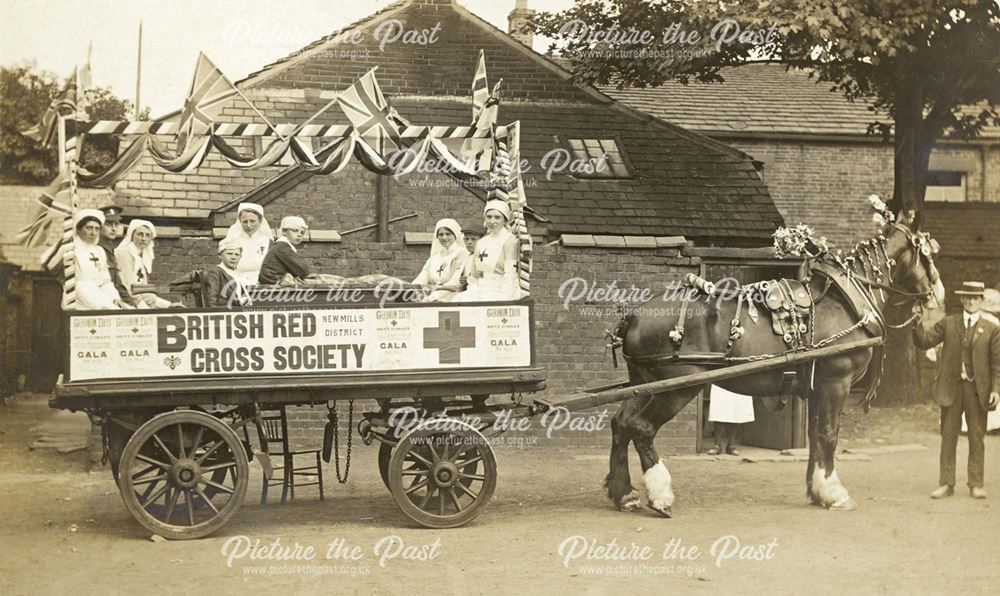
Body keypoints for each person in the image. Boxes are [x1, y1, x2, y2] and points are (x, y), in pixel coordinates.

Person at [913, 281, 1000, 500]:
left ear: (981, 301)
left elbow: (996, 365)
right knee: (948, 436)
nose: (971, 302)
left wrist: (996, 390)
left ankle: (976, 483)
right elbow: (925, 341)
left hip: (978, 390)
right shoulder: (948, 323)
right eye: (967, 298)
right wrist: (915, 321)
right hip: (951, 389)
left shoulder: (992, 329)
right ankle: (946, 483)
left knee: (977, 437)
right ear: (962, 300)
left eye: (975, 298)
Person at [455, 200, 521, 301]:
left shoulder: (510, 241)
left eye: (497, 217)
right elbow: (474, 275)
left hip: (501, 289)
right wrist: (472, 291)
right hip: (481, 289)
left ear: (505, 220)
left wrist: (505, 298)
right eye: (489, 217)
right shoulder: (481, 242)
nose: (492, 221)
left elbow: (510, 275)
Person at [114, 219, 180, 308]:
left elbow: (143, 293)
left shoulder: (141, 258)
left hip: (136, 303)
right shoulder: (123, 253)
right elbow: (126, 288)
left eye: (147, 235)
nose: (143, 239)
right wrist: (144, 309)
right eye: (140, 234)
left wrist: (168, 305)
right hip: (123, 303)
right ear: (132, 235)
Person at [72, 209, 126, 310]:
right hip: (81, 302)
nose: (93, 232)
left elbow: (105, 281)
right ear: (79, 229)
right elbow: (79, 285)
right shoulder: (72, 250)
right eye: (89, 228)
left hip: (101, 297)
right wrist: (101, 306)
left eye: (97, 229)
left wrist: (114, 298)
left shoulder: (99, 250)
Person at [412, 219, 466, 302]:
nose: (444, 237)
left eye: (448, 234)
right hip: (432, 296)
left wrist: (431, 297)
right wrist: (412, 290)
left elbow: (455, 282)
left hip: (453, 296)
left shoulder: (461, 253)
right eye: (441, 234)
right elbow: (423, 275)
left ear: (455, 235)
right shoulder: (435, 256)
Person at [220, 202, 272, 284]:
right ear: (240, 221)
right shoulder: (233, 240)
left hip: (262, 283)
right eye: (244, 222)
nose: (248, 225)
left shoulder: (268, 242)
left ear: (260, 220)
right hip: (236, 281)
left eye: (252, 221)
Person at [97, 204, 137, 307]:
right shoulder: (96, 250)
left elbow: (118, 284)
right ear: (99, 226)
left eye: (116, 224)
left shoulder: (110, 249)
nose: (114, 228)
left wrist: (132, 304)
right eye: (109, 224)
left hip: (114, 298)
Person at [258, 216, 312, 285]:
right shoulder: (282, 247)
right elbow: (302, 269)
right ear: (284, 232)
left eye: (302, 232)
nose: (299, 235)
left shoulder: (281, 246)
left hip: (274, 281)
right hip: (274, 283)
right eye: (295, 231)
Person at [706, 385, 754, 456]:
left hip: (737, 381)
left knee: (735, 409)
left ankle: (731, 445)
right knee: (718, 409)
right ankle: (717, 445)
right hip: (721, 380)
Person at [204, 237, 252, 307]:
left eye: (237, 254)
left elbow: (236, 297)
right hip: (223, 314)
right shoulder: (216, 272)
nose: (233, 257)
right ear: (220, 255)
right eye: (229, 254)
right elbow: (211, 300)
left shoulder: (236, 274)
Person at [459, 226, 483, 291]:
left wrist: (469, 280)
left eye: (473, 239)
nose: (469, 242)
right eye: (466, 239)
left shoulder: (483, 257)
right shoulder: (465, 257)